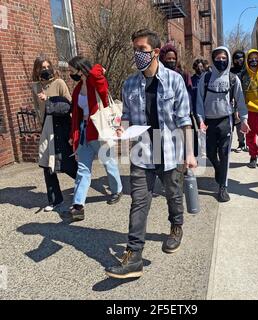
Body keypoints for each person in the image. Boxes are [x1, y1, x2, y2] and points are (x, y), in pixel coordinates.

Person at [105, 29, 197, 279]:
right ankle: (134, 255)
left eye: (142, 50)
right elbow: (125, 116)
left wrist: (189, 153)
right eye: (134, 49)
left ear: (156, 52)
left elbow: (184, 120)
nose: (137, 55)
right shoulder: (129, 83)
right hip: (142, 150)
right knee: (139, 202)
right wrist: (120, 129)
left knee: (173, 194)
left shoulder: (175, 80)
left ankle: (176, 227)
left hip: (170, 148)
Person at [68, 56, 123, 221]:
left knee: (109, 163)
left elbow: (100, 80)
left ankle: (117, 190)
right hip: (85, 132)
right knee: (83, 169)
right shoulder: (78, 89)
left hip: (100, 130)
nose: (71, 73)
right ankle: (78, 206)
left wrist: (97, 69)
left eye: (72, 70)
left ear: (80, 69)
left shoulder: (95, 82)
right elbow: (76, 115)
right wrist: (73, 135)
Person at [196, 46, 250, 202]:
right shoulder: (205, 78)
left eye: (223, 58)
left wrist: (244, 120)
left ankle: (223, 188)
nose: (221, 61)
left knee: (225, 155)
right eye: (218, 58)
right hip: (209, 123)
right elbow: (199, 101)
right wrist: (200, 120)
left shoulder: (233, 79)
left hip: (226, 121)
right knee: (211, 153)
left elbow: (240, 101)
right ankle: (218, 168)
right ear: (213, 59)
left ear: (227, 59)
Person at [32, 56, 78, 212]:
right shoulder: (36, 87)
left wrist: (49, 99)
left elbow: (68, 105)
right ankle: (55, 200)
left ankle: (83, 181)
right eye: (41, 67)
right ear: (37, 70)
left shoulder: (59, 83)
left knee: (65, 163)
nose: (45, 69)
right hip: (46, 128)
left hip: (61, 126)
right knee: (47, 165)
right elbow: (38, 109)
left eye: (47, 66)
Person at [239, 49, 258, 169]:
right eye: (251, 58)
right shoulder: (243, 75)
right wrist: (238, 110)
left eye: (256, 58)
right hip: (249, 111)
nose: (254, 61)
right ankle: (253, 156)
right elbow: (239, 94)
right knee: (250, 136)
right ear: (247, 60)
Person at [230, 50, 248, 153]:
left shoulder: (247, 70)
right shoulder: (231, 72)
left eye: (241, 59)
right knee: (238, 122)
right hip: (236, 100)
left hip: (248, 99)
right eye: (236, 59)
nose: (239, 61)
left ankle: (249, 144)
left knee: (248, 122)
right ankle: (241, 143)